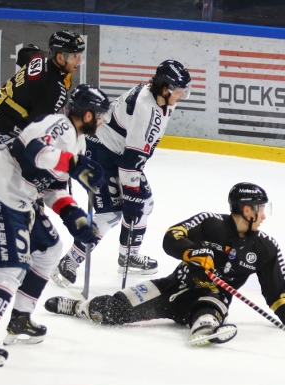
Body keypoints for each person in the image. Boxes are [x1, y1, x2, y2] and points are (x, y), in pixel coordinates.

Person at [45, 183, 285, 347]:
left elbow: (277, 295)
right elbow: (172, 236)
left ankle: (204, 327)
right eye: (261, 209)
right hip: (174, 286)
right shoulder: (210, 222)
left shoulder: (266, 247)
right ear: (246, 210)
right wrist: (192, 252)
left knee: (212, 303)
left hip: (212, 295)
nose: (264, 215)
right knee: (112, 310)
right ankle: (80, 307)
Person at [52, 59, 192, 288]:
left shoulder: (161, 98)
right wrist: (131, 192)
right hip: (100, 153)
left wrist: (135, 196)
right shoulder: (145, 108)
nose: (182, 96)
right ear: (165, 88)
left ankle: (128, 255)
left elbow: (133, 156)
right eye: (179, 91)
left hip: (118, 151)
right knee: (111, 213)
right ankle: (69, 262)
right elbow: (130, 163)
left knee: (144, 204)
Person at [0, 84, 108, 367]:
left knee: (49, 248)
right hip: (2, 193)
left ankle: (20, 318)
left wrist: (75, 217)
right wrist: (73, 163)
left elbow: (54, 189)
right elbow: (32, 152)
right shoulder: (57, 124)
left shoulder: (79, 143)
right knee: (12, 266)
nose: (103, 120)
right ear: (86, 114)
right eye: (100, 114)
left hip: (24, 200)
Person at [0, 30, 85, 143]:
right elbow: (36, 128)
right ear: (60, 57)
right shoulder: (55, 91)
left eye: (79, 55)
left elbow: (24, 52)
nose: (79, 61)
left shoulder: (40, 56)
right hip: (5, 127)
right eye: (74, 56)